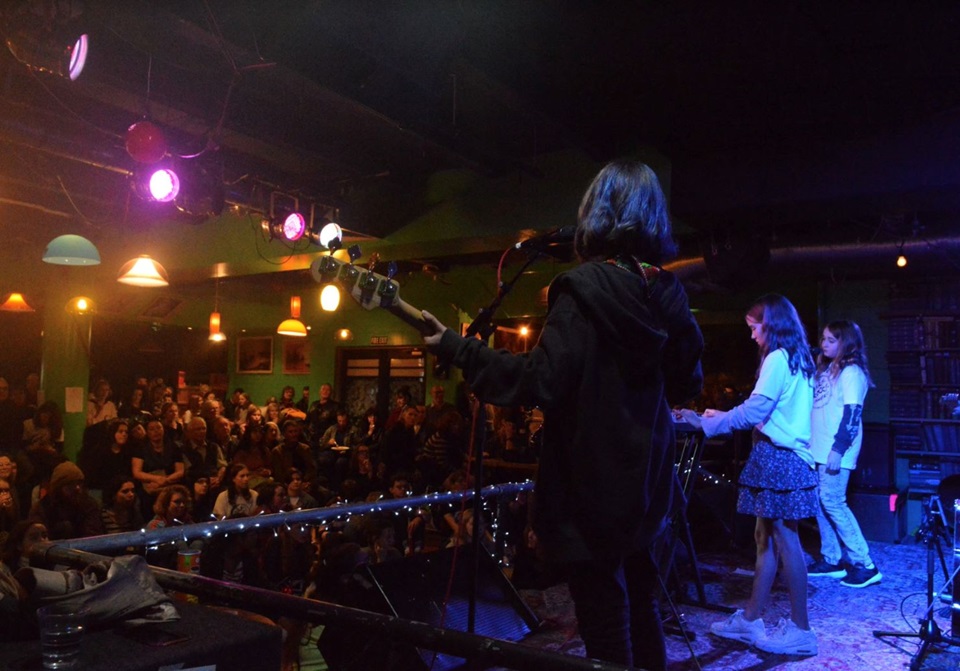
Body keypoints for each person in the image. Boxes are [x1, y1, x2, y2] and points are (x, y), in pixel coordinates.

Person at [421, 160, 704, 671]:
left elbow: (541, 381)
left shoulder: (581, 288)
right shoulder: (666, 291)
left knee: (603, 621)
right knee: (642, 610)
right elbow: (688, 383)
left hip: (590, 482)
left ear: (597, 211)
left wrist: (460, 351)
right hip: (648, 484)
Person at [690, 294, 819, 656]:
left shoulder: (778, 358)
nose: (751, 336)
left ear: (771, 325)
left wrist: (706, 424)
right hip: (779, 456)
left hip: (779, 458)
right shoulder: (797, 358)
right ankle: (750, 620)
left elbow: (756, 410)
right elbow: (768, 412)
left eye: (754, 328)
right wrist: (720, 418)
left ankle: (802, 630)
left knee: (784, 539)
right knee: (765, 538)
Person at [807, 320, 881, 588]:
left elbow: (852, 415)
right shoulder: (828, 369)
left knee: (833, 501)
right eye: (823, 338)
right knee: (819, 501)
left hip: (835, 450)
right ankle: (832, 558)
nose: (823, 343)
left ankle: (865, 563)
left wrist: (838, 449)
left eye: (830, 340)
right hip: (818, 448)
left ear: (845, 343)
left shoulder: (852, 373)